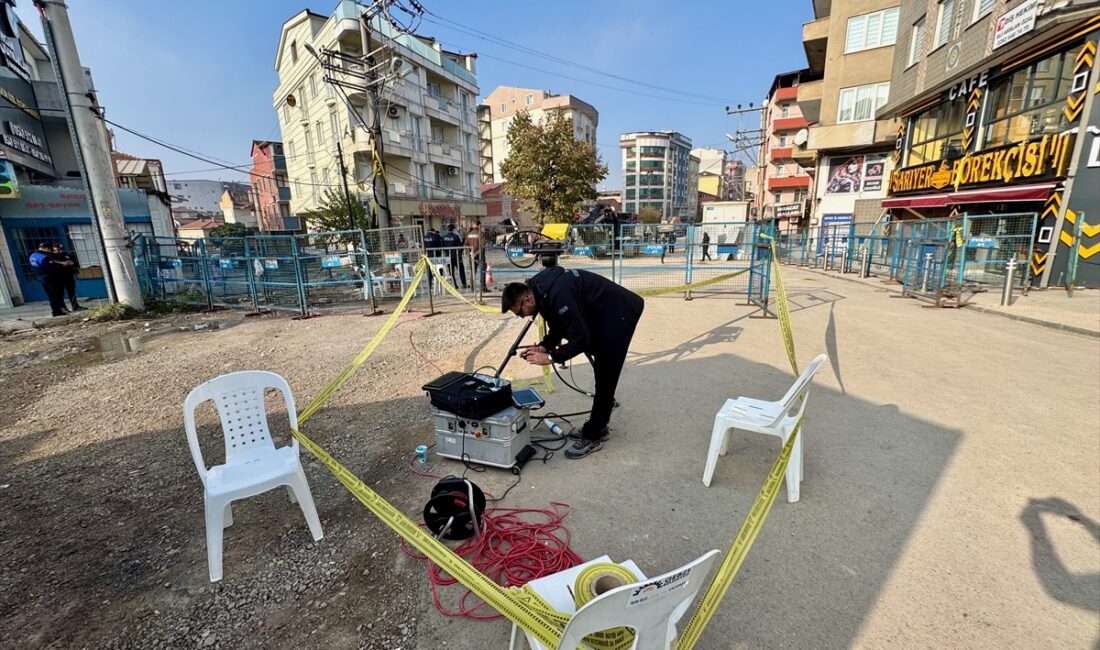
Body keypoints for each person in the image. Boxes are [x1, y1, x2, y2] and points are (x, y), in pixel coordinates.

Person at [501, 266, 645, 460]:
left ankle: (595, 434)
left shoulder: (559, 293)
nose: (523, 316)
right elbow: (559, 326)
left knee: (605, 372)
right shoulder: (541, 291)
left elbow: (581, 340)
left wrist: (550, 358)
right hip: (600, 314)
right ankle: (598, 425)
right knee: (602, 367)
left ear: (527, 299)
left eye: (520, 312)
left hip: (618, 314)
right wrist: (544, 347)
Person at [28, 243, 66, 317]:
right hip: (50, 278)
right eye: (49, 249)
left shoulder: (33, 256)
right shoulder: (45, 257)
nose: (50, 251)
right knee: (55, 295)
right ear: (46, 248)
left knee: (51, 295)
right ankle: (56, 311)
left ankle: (57, 310)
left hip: (41, 278)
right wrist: (62, 265)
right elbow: (52, 267)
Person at [51, 245, 83, 311]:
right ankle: (63, 307)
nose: (60, 251)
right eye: (58, 249)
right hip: (58, 277)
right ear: (53, 250)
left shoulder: (66, 255)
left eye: (61, 249)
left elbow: (76, 264)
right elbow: (52, 266)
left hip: (68, 276)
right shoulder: (51, 256)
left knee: (72, 292)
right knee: (60, 293)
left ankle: (75, 306)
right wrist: (62, 263)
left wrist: (72, 263)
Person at [441, 223, 467, 289]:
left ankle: (454, 285)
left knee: (451, 272)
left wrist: (446, 253)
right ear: (453, 229)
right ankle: (464, 284)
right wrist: (460, 253)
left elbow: (442, 247)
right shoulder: (456, 237)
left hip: (448, 257)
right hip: (456, 256)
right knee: (461, 270)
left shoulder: (444, 237)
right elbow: (460, 246)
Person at [464, 219, 487, 292]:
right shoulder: (481, 234)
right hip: (480, 255)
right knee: (482, 271)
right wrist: (475, 253)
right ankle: (483, 288)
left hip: (471, 256)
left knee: (472, 272)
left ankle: (472, 289)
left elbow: (465, 245)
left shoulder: (469, 234)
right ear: (479, 225)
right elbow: (482, 246)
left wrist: (469, 253)